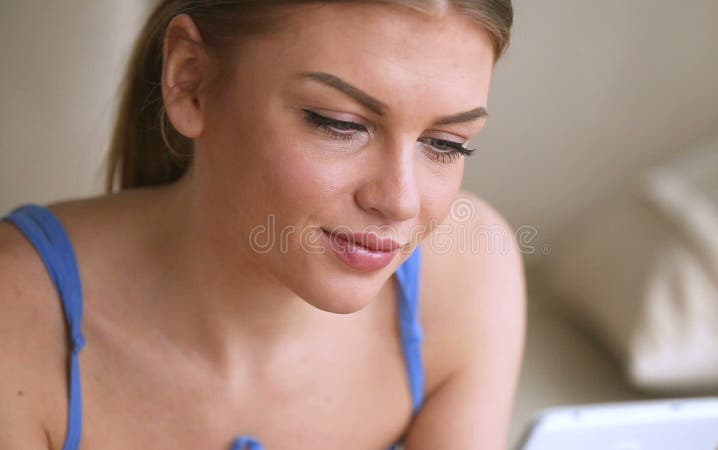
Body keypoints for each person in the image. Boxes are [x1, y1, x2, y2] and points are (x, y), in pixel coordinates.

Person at [0, 1, 525, 449]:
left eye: (445, 144)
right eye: (339, 124)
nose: (400, 202)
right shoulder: (18, 320)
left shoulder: (468, 277)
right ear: (191, 82)